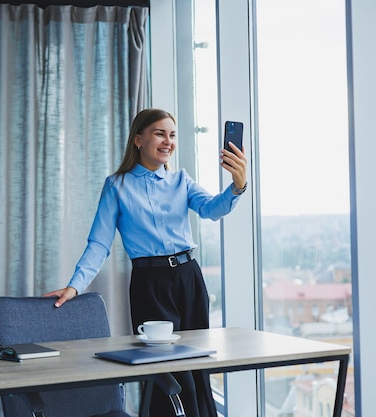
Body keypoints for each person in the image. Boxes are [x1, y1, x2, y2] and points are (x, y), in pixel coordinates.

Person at [43, 108, 247, 417]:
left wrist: (237, 187)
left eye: (173, 135)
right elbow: (99, 243)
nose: (168, 141)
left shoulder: (182, 180)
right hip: (150, 284)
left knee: (197, 365)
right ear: (138, 139)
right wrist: (75, 286)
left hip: (190, 279)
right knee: (165, 366)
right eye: (160, 133)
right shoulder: (117, 186)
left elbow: (211, 210)